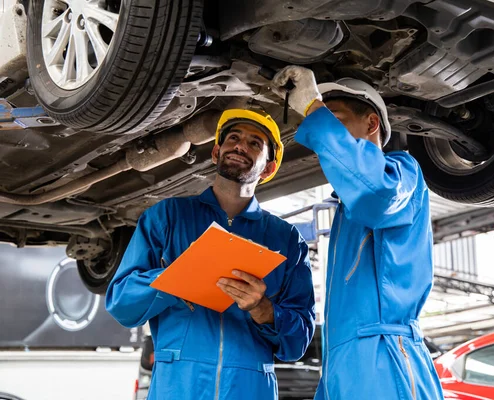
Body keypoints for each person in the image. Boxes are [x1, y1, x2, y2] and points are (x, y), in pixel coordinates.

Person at [105, 108, 316, 400]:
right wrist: (173, 279)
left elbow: (298, 343)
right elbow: (121, 304)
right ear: (216, 152)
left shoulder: (286, 239)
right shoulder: (167, 217)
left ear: (268, 168)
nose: (240, 145)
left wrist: (264, 310)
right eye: (233, 138)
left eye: (255, 143)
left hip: (250, 390)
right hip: (178, 388)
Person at [272, 66, 444, 400]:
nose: (325, 133)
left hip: (385, 358)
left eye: (334, 119)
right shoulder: (345, 211)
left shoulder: (402, 172)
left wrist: (312, 107)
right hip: (341, 364)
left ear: (371, 123)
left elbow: (376, 195)